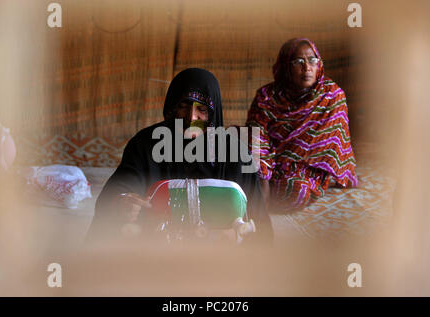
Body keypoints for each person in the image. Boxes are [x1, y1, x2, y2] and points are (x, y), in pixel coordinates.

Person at [87, 68, 273, 245]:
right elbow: (119, 189)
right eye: (183, 106)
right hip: (154, 245)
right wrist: (123, 202)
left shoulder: (235, 152)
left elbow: (257, 219)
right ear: (171, 107)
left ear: (213, 113)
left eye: (201, 109)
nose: (191, 117)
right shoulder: (145, 143)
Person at [246, 38, 358, 210]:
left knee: (296, 192)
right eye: (298, 61)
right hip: (268, 163)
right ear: (285, 66)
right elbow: (256, 137)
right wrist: (263, 179)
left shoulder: (331, 95)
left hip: (307, 169)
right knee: (233, 149)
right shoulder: (267, 96)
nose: (307, 67)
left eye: (312, 60)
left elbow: (336, 142)